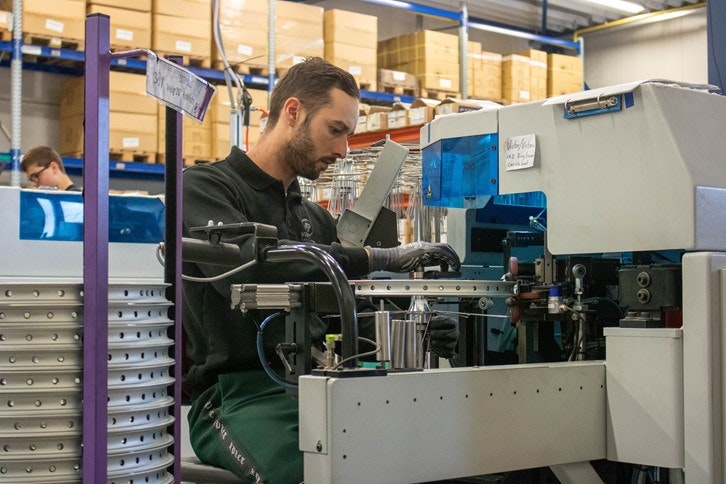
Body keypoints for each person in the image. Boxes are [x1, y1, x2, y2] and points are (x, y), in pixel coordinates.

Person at [182, 57, 461, 483]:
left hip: (318, 386)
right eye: (336, 130)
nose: (343, 150)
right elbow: (250, 270)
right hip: (237, 396)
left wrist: (413, 326)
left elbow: (341, 310)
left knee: (429, 457)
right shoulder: (206, 189)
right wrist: (374, 258)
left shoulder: (313, 217)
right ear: (293, 112)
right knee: (309, 475)